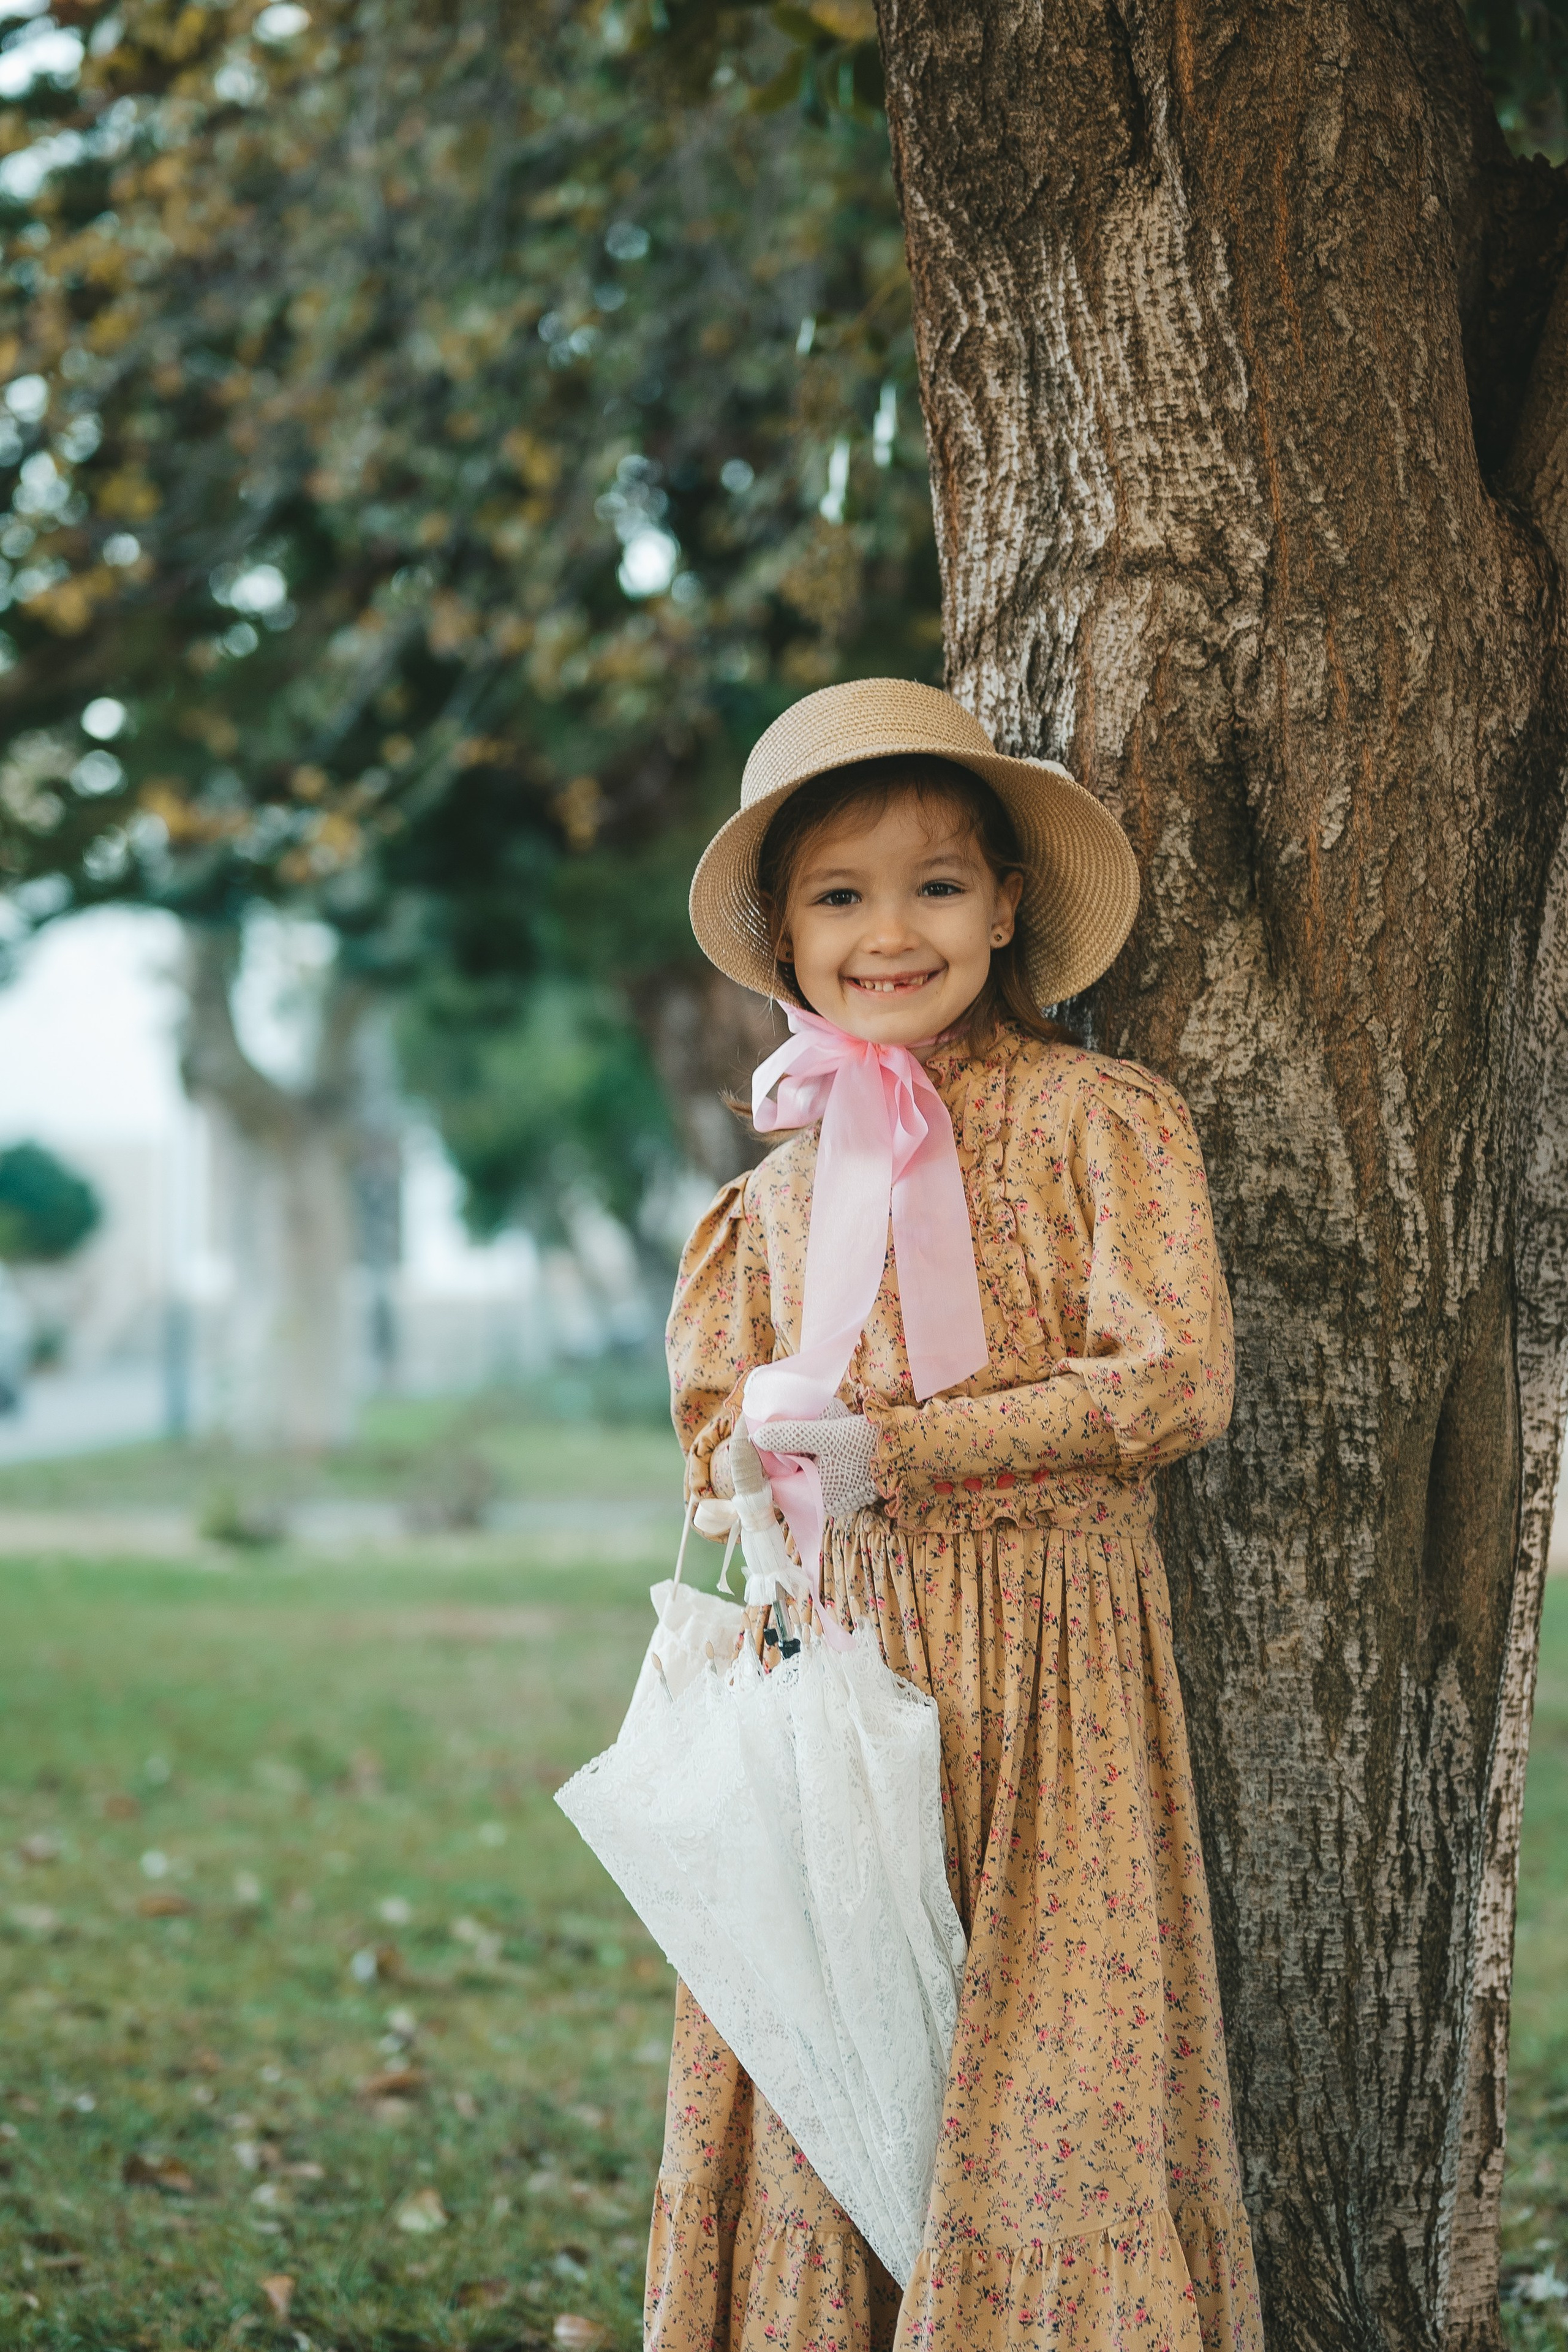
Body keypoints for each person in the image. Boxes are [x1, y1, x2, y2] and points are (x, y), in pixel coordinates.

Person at [650, 678, 1264, 2352]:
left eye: (934, 883)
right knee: (846, 2066)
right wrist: (769, 1465)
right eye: (839, 896)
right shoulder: (771, 1197)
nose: (890, 931)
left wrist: (899, 1452)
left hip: (1056, 1673)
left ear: (1007, 902)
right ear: (783, 933)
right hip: (844, 1674)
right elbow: (714, 1437)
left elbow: (1170, 1383)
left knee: (1055, 2064)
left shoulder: (1100, 1123)